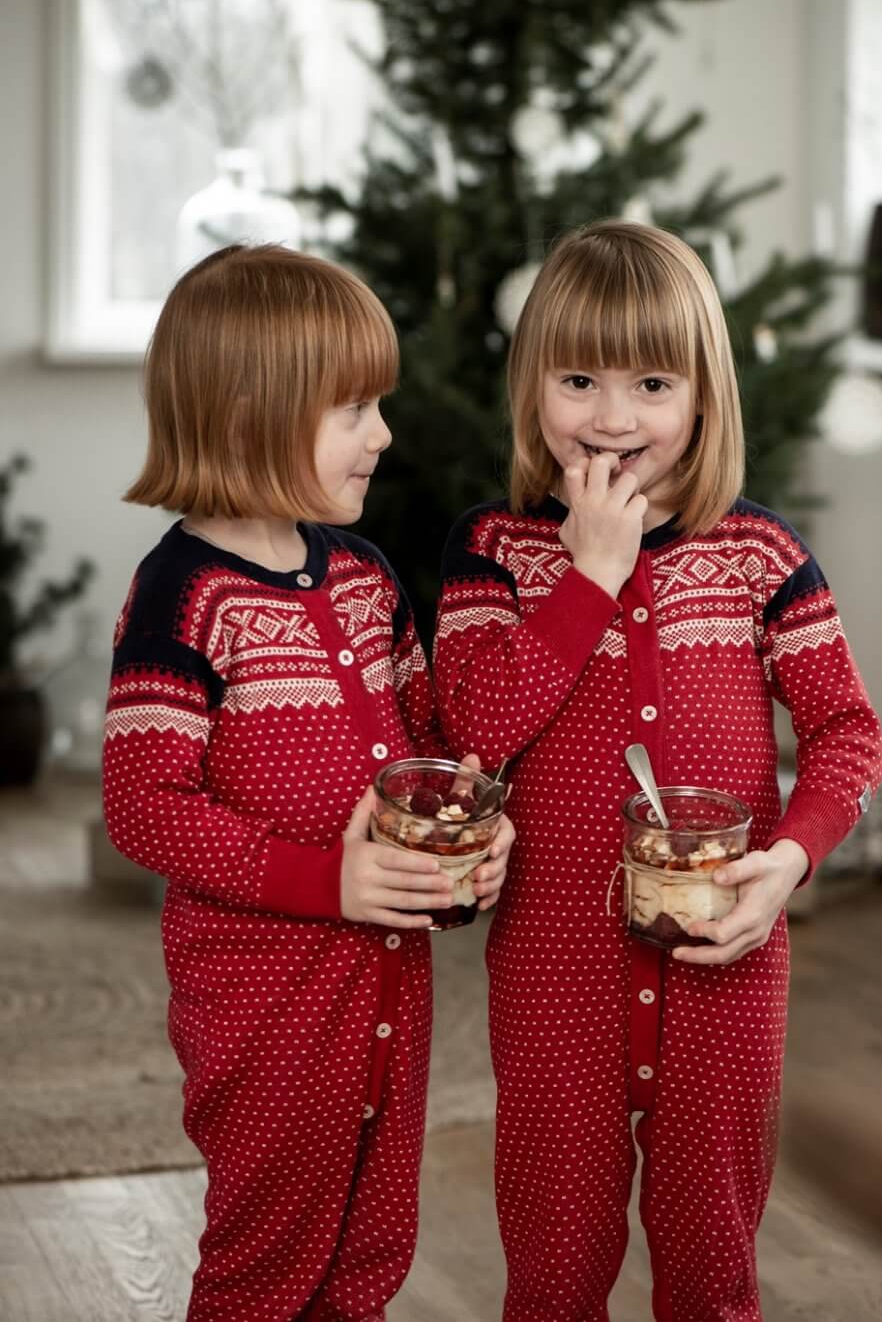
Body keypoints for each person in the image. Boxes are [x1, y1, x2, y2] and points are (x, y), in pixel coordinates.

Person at [432, 220, 882, 1322]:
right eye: (576, 377)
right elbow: (477, 725)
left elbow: (845, 731)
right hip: (552, 971)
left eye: (650, 380)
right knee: (550, 1267)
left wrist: (785, 861)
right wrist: (586, 576)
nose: (613, 415)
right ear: (531, 383)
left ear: (702, 395)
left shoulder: (760, 558)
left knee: (711, 1266)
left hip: (730, 963)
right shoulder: (493, 549)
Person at [102, 244, 513, 1322]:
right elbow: (144, 805)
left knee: (370, 1251)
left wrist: (473, 831)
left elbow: (430, 746)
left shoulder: (365, 573)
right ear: (248, 414)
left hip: (390, 988)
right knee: (264, 1265)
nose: (381, 433)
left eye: (376, 404)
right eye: (351, 409)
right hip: (267, 1005)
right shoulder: (182, 593)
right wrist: (323, 880)